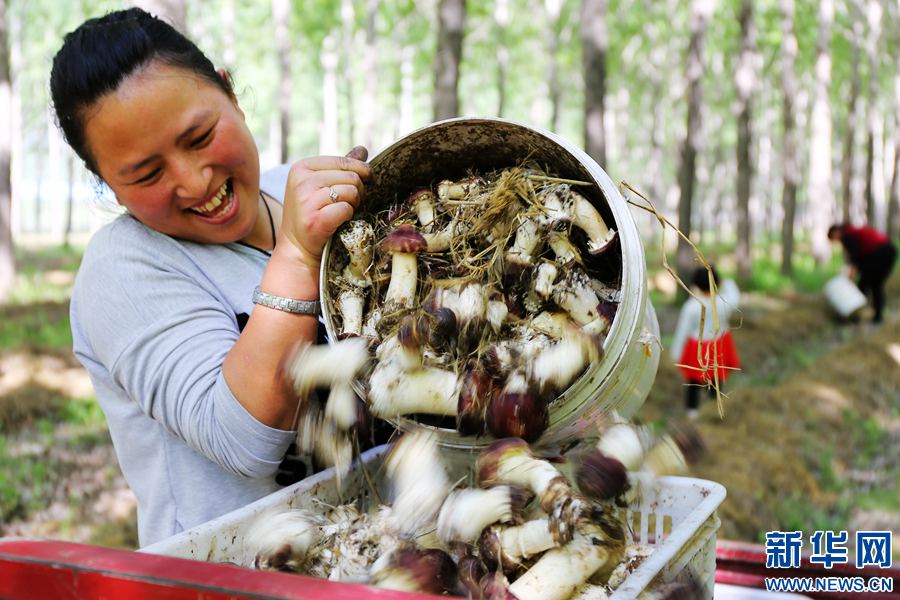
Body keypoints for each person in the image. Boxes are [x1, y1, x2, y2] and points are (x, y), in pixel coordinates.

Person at [50, 8, 371, 546]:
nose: (195, 181)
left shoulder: (290, 192)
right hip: (229, 577)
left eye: (199, 137)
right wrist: (294, 256)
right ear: (108, 183)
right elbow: (244, 442)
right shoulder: (123, 266)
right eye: (148, 174)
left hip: (374, 551)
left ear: (231, 95)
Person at [670, 266, 741, 419]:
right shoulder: (723, 303)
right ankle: (714, 407)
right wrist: (725, 281)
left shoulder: (691, 307)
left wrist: (676, 353)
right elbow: (735, 294)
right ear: (716, 282)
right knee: (716, 379)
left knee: (693, 382)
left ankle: (692, 412)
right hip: (718, 344)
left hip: (699, 347)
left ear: (696, 285)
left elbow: (683, 330)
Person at [827, 223, 897, 323]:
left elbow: (855, 256)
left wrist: (851, 273)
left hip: (880, 253)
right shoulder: (852, 231)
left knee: (864, 285)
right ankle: (877, 317)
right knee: (875, 285)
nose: (837, 240)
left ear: (836, 232)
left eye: (834, 238)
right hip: (888, 251)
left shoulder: (847, 235)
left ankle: (855, 314)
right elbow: (859, 256)